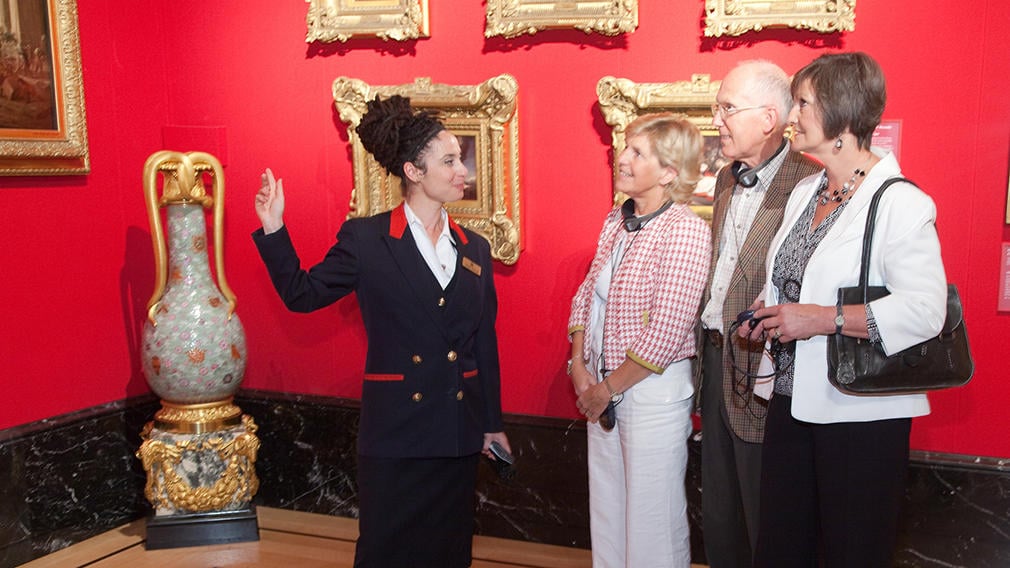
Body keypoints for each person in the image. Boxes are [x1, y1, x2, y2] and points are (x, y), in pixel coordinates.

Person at [252, 94, 511, 568]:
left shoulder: (474, 247)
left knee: (449, 550)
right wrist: (274, 229)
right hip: (397, 430)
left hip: (457, 428)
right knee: (385, 549)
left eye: (461, 160)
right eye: (449, 161)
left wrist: (492, 422)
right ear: (413, 171)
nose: (463, 172)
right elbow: (302, 294)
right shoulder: (366, 240)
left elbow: (483, 342)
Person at [739, 52, 946, 567]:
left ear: (841, 114)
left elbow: (925, 311)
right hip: (790, 404)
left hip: (861, 416)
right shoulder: (806, 192)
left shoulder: (901, 202)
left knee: (852, 553)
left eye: (803, 103)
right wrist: (771, 309)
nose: (791, 117)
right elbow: (797, 279)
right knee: (782, 551)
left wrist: (821, 318)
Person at [567, 112, 712, 567]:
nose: (622, 157)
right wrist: (577, 364)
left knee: (653, 519)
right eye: (624, 147)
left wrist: (604, 390)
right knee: (608, 512)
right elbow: (586, 293)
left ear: (669, 172)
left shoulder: (686, 230)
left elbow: (667, 331)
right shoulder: (618, 219)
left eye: (637, 152)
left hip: (649, 393)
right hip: (602, 389)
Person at [697, 60, 821, 568]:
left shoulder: (809, 183)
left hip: (767, 367)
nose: (717, 120)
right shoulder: (727, 179)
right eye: (716, 107)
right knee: (721, 509)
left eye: (727, 108)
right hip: (713, 360)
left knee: (765, 511)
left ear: (769, 118)